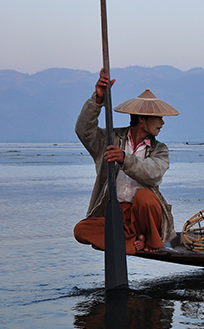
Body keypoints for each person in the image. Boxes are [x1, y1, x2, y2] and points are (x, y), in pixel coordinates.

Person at [73, 69, 179, 254]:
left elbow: (153, 174)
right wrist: (97, 100)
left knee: (144, 197)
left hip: (144, 215)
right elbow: (84, 131)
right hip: (118, 215)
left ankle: (144, 237)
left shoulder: (159, 149)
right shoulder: (110, 139)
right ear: (141, 118)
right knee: (81, 231)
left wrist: (124, 158)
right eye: (158, 118)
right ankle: (135, 242)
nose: (162, 123)